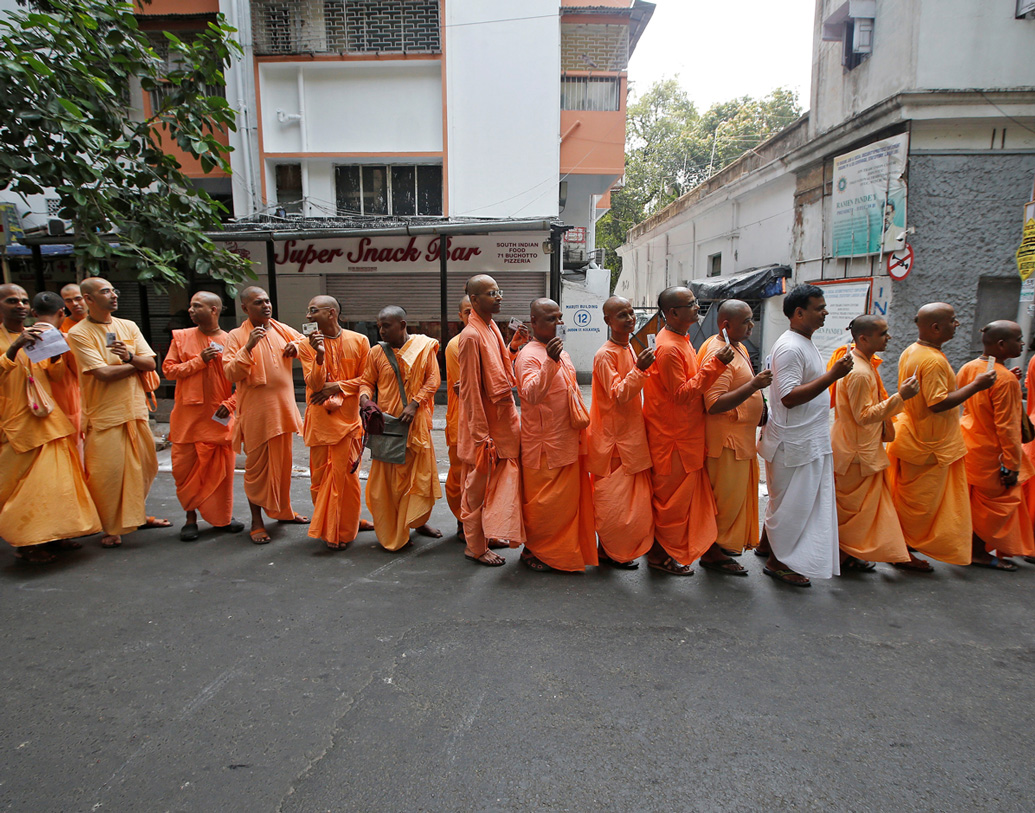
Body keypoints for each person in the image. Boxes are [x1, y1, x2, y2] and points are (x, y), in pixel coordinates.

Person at [757, 284, 851, 587]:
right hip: (793, 442)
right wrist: (832, 376)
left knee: (786, 502)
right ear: (799, 313)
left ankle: (767, 547)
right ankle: (778, 562)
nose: (825, 313)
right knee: (794, 506)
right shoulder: (791, 347)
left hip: (803, 439)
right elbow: (787, 397)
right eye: (819, 308)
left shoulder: (803, 342)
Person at [887, 303, 994, 567]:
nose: (956, 324)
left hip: (917, 436)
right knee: (919, 507)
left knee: (914, 501)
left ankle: (903, 549)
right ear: (936, 327)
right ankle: (902, 553)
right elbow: (937, 403)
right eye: (952, 320)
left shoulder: (913, 350)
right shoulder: (932, 360)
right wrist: (976, 386)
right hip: (927, 443)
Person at [66, 277, 170, 547]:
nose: (113, 295)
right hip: (104, 414)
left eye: (114, 290)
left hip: (135, 409)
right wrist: (135, 364)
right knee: (108, 474)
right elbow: (102, 373)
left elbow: (150, 362)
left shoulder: (128, 325)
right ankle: (111, 527)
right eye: (105, 292)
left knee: (145, 467)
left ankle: (135, 515)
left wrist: (130, 360)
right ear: (88, 299)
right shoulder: (79, 333)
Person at [0, 284, 101, 563]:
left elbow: (52, 375)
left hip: (48, 419)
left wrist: (55, 351)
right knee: (26, 488)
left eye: (23, 300)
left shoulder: (35, 334)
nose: (19, 305)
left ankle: (58, 533)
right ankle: (27, 542)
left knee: (57, 483)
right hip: (16, 422)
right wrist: (14, 348)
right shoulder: (12, 339)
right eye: (12, 301)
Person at [642, 286, 734, 576]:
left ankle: (667, 551)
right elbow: (681, 394)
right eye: (691, 304)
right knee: (670, 504)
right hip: (673, 439)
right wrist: (716, 365)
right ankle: (658, 555)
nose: (697, 307)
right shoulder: (669, 347)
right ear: (672, 313)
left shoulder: (680, 339)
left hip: (684, 434)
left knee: (678, 503)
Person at [830, 316, 929, 572]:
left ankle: (850, 555)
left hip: (856, 448)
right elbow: (863, 416)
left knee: (861, 513)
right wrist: (901, 397)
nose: (889, 338)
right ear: (864, 338)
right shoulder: (861, 372)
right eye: (884, 333)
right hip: (856, 453)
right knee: (854, 514)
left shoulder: (860, 363)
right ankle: (842, 558)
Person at [514, 298, 597, 573]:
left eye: (559, 317)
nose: (558, 323)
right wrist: (549, 361)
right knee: (545, 506)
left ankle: (560, 552)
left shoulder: (561, 352)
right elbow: (531, 394)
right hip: (544, 447)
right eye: (551, 319)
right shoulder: (528, 355)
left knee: (564, 507)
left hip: (566, 440)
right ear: (534, 323)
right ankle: (534, 550)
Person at [223, 286, 308, 544]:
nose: (266, 306)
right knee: (257, 471)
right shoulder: (237, 336)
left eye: (268, 301)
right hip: (257, 414)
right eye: (259, 302)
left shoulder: (282, 329)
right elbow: (230, 373)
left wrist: (297, 347)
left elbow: (308, 346)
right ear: (245, 308)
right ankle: (257, 522)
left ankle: (283, 511)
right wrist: (248, 347)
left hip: (282, 411)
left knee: (282, 468)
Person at [162, 291, 244, 542]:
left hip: (217, 417)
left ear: (214, 310)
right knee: (186, 471)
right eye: (190, 306)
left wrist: (230, 404)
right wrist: (199, 361)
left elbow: (243, 381)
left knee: (222, 471)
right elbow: (169, 371)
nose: (191, 310)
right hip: (187, 418)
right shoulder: (181, 337)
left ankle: (222, 517)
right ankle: (190, 519)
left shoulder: (231, 340)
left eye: (197, 306)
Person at [359, 305, 442, 551]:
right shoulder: (376, 352)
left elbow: (433, 379)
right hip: (387, 427)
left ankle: (416, 521)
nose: (382, 331)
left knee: (418, 480)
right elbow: (366, 381)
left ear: (403, 325)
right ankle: (394, 528)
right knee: (386, 485)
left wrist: (415, 404)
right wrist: (365, 399)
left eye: (387, 326)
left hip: (414, 426)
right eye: (379, 326)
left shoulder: (423, 347)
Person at [456, 274, 524, 566]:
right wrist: (481, 435)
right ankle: (475, 546)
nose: (498, 297)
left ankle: (490, 532)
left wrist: (512, 347)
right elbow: (470, 389)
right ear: (474, 300)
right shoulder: (470, 336)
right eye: (490, 293)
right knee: (477, 488)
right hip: (485, 427)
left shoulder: (492, 326)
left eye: (499, 291)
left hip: (503, 419)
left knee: (500, 484)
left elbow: (499, 368)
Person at [697, 299, 772, 561]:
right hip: (726, 444)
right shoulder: (719, 352)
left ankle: (722, 545)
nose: (752, 326)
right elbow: (713, 404)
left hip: (740, 441)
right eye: (746, 321)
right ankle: (712, 551)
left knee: (735, 498)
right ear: (726, 325)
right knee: (725, 503)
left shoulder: (735, 346)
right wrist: (753, 387)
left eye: (752, 319)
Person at [298, 296, 374, 550]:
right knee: (320, 480)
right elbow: (315, 385)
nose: (308, 317)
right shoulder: (305, 345)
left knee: (347, 481)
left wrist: (339, 385)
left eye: (313, 311)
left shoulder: (359, 340)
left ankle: (344, 528)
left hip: (349, 422)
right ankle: (330, 525)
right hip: (321, 423)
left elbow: (367, 379)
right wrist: (319, 356)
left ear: (331, 313)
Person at [957, 320, 1034, 570]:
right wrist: (1012, 464)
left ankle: (969, 549)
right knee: (991, 507)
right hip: (991, 452)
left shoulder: (970, 367)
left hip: (968, 442)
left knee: (972, 504)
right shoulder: (1004, 380)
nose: (1023, 344)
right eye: (1018, 339)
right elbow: (1007, 427)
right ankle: (977, 552)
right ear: (1002, 345)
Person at [587, 296, 655, 569]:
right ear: (608, 321)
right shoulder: (606, 354)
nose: (629, 318)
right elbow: (620, 394)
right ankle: (607, 551)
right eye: (622, 315)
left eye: (630, 313)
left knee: (631, 504)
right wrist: (640, 369)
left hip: (630, 437)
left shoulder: (628, 348)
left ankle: (618, 549)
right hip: (613, 442)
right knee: (611, 503)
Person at [31, 291, 82, 441]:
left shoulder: (23, 340)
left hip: (35, 407)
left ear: (34, 313)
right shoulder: (66, 340)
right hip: (67, 406)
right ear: (62, 312)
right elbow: (80, 374)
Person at [444, 295, 473, 540]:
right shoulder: (457, 345)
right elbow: (464, 388)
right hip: (462, 421)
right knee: (460, 476)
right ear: (460, 316)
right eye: (467, 312)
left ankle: (476, 524)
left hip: (483, 421)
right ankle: (463, 523)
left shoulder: (488, 339)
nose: (472, 316)